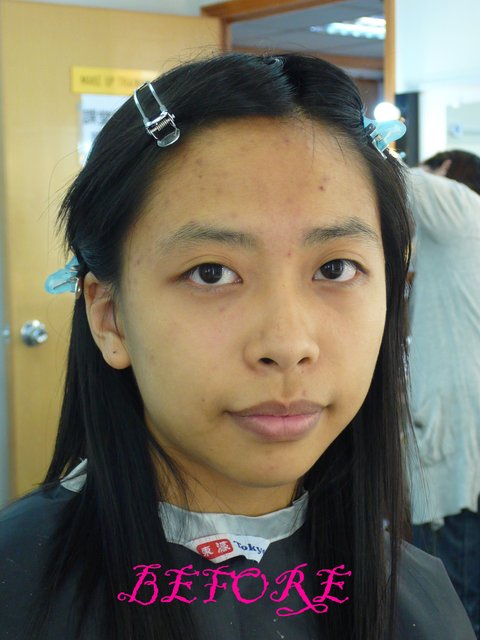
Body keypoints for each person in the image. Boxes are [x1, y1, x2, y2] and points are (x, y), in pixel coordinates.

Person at [0, 53, 475, 640]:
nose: (288, 344)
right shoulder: (19, 593)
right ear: (110, 318)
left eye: (335, 268)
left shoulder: (420, 598)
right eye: (211, 274)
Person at [407, 150, 480, 638]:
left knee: (446, 597)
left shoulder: (459, 207)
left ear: (449, 172)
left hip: (452, 443)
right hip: (457, 435)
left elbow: (394, 175)